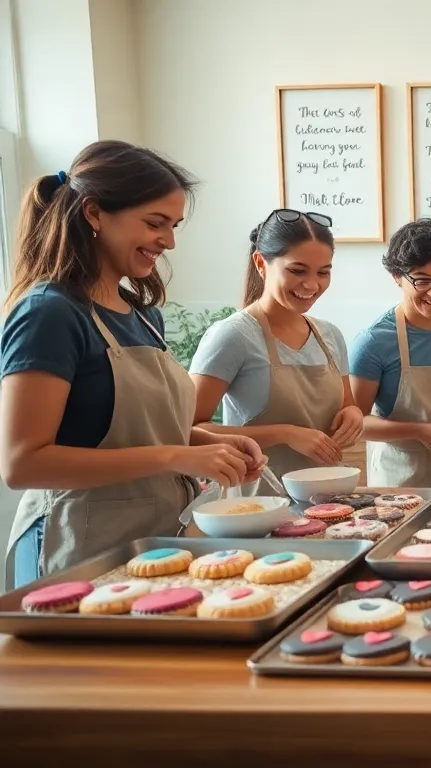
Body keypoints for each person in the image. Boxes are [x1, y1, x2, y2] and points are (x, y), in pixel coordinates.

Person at [1, 141, 264, 586]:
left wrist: (208, 445)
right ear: (94, 213)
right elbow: (22, 464)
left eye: (174, 225)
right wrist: (174, 455)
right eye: (155, 223)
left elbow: (134, 430)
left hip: (153, 540)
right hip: (77, 549)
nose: (169, 240)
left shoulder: (143, 314)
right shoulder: (50, 312)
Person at [190, 210, 363, 482]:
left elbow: (348, 404)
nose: (312, 284)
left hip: (329, 497)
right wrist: (286, 434)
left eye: (323, 272)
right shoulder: (233, 335)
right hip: (257, 502)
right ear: (261, 263)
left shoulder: (330, 335)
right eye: (297, 270)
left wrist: (353, 414)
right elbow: (189, 431)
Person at [350, 219, 431, 488]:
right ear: (397, 277)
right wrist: (418, 431)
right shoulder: (374, 342)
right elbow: (355, 421)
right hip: (400, 481)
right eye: (422, 281)